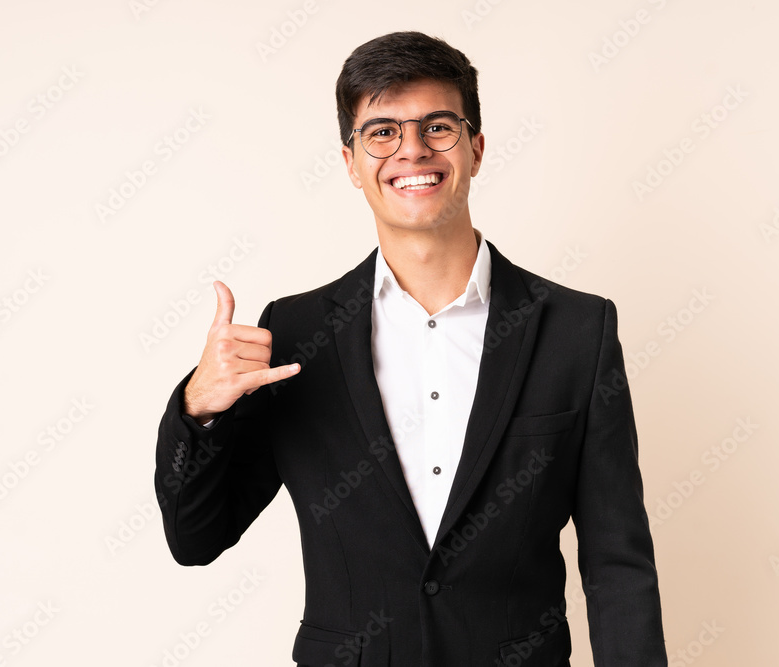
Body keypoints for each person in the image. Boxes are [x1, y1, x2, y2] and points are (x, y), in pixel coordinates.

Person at [155, 30, 666, 667]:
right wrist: (199, 410)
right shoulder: (294, 333)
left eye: (438, 127)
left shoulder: (577, 329)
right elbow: (196, 538)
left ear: (476, 148)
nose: (412, 151)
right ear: (350, 162)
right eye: (382, 132)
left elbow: (618, 565)